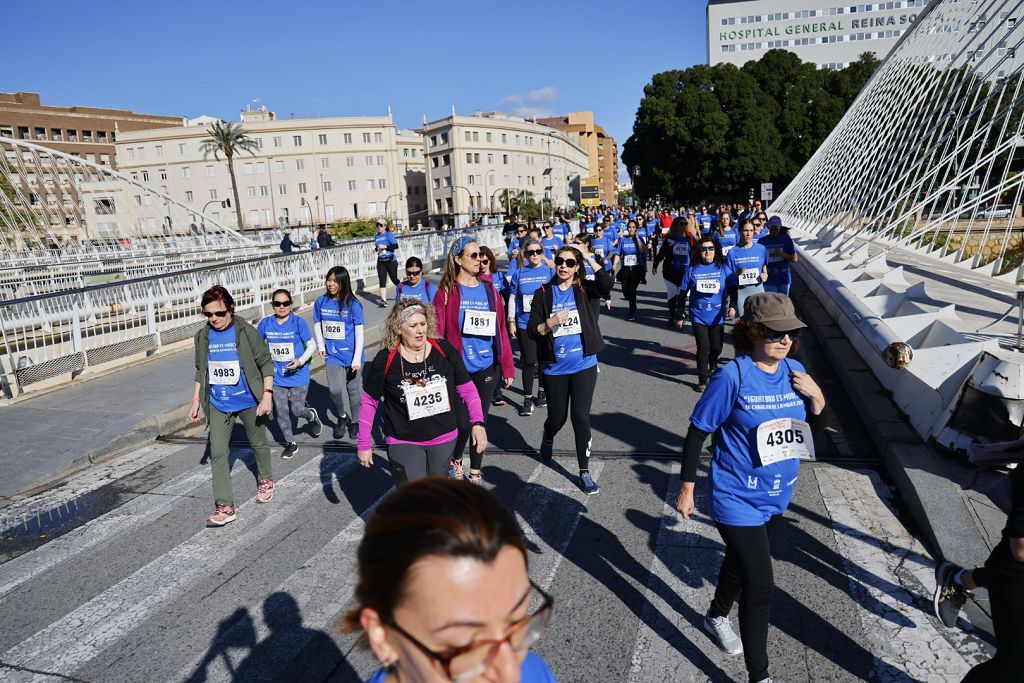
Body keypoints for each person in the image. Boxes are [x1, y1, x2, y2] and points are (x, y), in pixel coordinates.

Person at [676, 293, 825, 683]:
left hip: (777, 494)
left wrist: (819, 399)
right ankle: (759, 676)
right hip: (735, 496)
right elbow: (697, 432)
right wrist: (687, 487)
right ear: (754, 332)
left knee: (739, 563)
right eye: (775, 332)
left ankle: (715, 616)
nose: (785, 339)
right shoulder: (733, 375)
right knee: (761, 586)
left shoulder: (795, 370)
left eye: (790, 332)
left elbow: (809, 429)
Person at [342, 478, 557, 682]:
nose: (512, 674)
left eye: (516, 623)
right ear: (383, 637)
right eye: (463, 648)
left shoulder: (537, 673)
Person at [357, 299, 487, 483]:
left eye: (423, 324)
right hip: (403, 440)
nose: (420, 330)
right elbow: (370, 401)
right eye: (413, 325)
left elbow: (467, 389)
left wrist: (478, 424)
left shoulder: (444, 350)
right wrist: (364, 442)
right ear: (398, 328)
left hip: (443, 437)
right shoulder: (386, 359)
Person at [933, 436, 1024, 681]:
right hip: (1015, 573)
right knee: (1015, 664)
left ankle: (959, 580)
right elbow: (1020, 548)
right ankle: (959, 580)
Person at [528, 245, 613, 495]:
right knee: (558, 418)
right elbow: (533, 330)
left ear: (577, 268)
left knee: (580, 416)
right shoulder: (543, 293)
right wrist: (550, 323)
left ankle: (584, 472)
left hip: (583, 364)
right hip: (554, 367)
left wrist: (587, 255)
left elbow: (607, 282)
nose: (563, 265)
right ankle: (548, 435)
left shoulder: (584, 289)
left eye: (569, 262)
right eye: (559, 261)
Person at [189, 285, 277, 527]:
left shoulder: (246, 331)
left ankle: (266, 479)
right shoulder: (202, 336)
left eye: (218, 313)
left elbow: (266, 363)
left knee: (258, 442)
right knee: (218, 452)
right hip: (218, 402)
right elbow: (201, 370)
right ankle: (225, 507)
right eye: (208, 315)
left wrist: (267, 395)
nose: (213, 319)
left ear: (229, 308)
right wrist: (196, 400)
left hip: (249, 399)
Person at [433, 235, 515, 484]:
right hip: (458, 368)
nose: (480, 259)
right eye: (474, 255)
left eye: (481, 255)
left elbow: (500, 329)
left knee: (480, 420)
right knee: (463, 423)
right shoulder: (446, 293)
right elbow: (436, 333)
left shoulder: (489, 288)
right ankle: (456, 458)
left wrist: (508, 365)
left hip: (486, 366)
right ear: (458, 260)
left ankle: (475, 471)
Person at [257, 289, 323, 458]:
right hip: (277, 377)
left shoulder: (298, 323)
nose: (282, 307)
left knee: (297, 409)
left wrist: (300, 361)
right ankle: (290, 443)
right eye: (278, 303)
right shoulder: (266, 323)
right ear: (272, 305)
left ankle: (310, 415)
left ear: (290, 305)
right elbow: (257, 346)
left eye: (285, 303)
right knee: (281, 410)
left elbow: (311, 345)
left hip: (298, 375)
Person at [313, 266, 364, 441]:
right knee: (335, 390)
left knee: (353, 390)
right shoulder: (321, 302)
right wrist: (320, 345)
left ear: (343, 282)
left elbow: (359, 331)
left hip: (351, 354)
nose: (330, 284)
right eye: (329, 280)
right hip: (333, 354)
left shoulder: (353, 304)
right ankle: (342, 417)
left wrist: (357, 357)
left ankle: (355, 421)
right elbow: (317, 323)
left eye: (335, 281)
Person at [508, 238, 556, 417]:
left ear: (542, 253)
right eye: (531, 252)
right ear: (525, 254)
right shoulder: (519, 274)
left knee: (543, 358)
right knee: (528, 361)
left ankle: (541, 392)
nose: (534, 255)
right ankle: (527, 399)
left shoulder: (550, 271)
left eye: (538, 251)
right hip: (524, 323)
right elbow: (513, 298)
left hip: (545, 323)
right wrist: (511, 320)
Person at [686, 236, 734, 391]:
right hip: (698, 315)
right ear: (699, 251)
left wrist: (733, 306)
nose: (707, 252)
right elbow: (682, 293)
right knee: (703, 347)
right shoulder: (692, 269)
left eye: (711, 249)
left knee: (716, 348)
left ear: (716, 251)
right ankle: (702, 378)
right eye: (704, 249)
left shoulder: (723, 268)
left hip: (718, 316)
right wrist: (679, 314)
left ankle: (713, 363)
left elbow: (733, 289)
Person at [480, 245, 510, 408]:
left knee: (498, 353)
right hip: (482, 324)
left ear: (491, 261)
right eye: (480, 261)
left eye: (486, 261)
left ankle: (496, 390)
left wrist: (507, 318)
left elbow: (508, 296)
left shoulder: (498, 277)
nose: (483, 264)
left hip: (498, 323)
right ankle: (490, 387)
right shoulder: (474, 279)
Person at [653, 217, 694, 329]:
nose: (683, 226)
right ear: (676, 225)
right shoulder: (670, 239)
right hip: (670, 272)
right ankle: (672, 316)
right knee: (672, 294)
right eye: (681, 224)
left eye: (685, 223)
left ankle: (679, 316)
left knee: (682, 295)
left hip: (685, 273)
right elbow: (661, 253)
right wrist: (655, 265)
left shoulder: (690, 238)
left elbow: (695, 255)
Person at [726, 218, 769, 318]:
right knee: (746, 325)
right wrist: (736, 274)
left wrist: (765, 274)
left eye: (751, 230)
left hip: (758, 290)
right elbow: (728, 278)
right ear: (740, 232)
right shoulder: (732, 252)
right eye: (745, 230)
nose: (748, 234)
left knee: (760, 323)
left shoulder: (761, 249)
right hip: (741, 292)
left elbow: (764, 266)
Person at [615, 219, 648, 322]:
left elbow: (643, 250)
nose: (631, 229)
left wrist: (637, 237)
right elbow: (618, 254)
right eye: (630, 227)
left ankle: (632, 311)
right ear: (627, 228)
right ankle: (632, 300)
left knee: (632, 289)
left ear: (636, 229)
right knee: (625, 291)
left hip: (637, 268)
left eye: (634, 227)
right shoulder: (623, 240)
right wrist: (614, 265)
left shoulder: (640, 239)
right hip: (625, 268)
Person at [757, 216, 798, 296]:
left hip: (783, 278)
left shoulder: (786, 239)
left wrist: (782, 254)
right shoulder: (762, 241)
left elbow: (795, 258)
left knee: (782, 305)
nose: (773, 230)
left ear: (780, 227)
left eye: (776, 228)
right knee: (771, 305)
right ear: (768, 227)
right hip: (769, 279)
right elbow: (758, 260)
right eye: (771, 228)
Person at [374, 219, 400, 307]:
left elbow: (396, 246)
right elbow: (377, 246)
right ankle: (383, 300)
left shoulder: (389, 234)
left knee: (394, 278)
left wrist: (385, 246)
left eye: (381, 225)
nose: (379, 227)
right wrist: (375, 250)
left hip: (391, 260)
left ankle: (403, 290)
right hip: (381, 261)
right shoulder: (376, 236)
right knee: (382, 280)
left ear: (385, 226)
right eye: (377, 225)